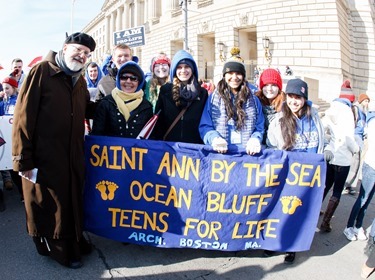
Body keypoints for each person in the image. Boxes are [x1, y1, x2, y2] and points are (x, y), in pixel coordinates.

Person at [12, 32, 96, 269]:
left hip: (71, 154)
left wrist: (111, 106)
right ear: (65, 47)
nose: (82, 56)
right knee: (49, 203)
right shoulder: (41, 71)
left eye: (87, 54)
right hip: (44, 156)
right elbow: (22, 117)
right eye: (78, 50)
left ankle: (74, 241)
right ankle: (59, 250)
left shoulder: (78, 79)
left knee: (70, 200)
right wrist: (22, 160)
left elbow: (84, 107)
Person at [266, 78, 325, 264]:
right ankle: (273, 242)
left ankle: (291, 245)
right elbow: (271, 145)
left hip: (308, 176)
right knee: (279, 209)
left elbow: (323, 138)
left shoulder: (314, 116)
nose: (294, 101)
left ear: (304, 98)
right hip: (287, 175)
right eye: (291, 96)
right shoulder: (279, 119)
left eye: (298, 97)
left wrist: (327, 150)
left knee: (298, 211)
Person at [199, 53, 264, 154]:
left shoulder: (253, 99)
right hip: (221, 155)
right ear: (224, 75)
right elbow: (205, 126)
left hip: (247, 155)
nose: (234, 77)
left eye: (238, 73)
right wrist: (214, 138)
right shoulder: (213, 99)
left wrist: (255, 138)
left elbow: (259, 126)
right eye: (230, 73)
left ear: (243, 76)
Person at [320, 97, 360, 233]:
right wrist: (357, 148)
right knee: (337, 192)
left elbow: (322, 130)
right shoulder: (347, 115)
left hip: (331, 157)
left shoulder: (331, 112)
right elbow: (350, 142)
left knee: (325, 187)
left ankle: (313, 213)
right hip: (343, 161)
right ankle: (326, 222)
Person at [152, 49, 208, 143]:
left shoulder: (202, 93)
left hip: (194, 148)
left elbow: (205, 122)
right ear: (174, 70)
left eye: (187, 67)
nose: (183, 70)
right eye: (179, 67)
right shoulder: (165, 91)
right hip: (170, 147)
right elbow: (158, 122)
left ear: (192, 69)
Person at [91, 61, 153, 137]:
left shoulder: (146, 106)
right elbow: (96, 134)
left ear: (139, 83)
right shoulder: (106, 103)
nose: (128, 81)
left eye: (133, 78)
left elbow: (150, 138)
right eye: (124, 77)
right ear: (118, 80)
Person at [343, 99, 374, 241]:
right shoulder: (373, 120)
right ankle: (349, 227)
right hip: (372, 166)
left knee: (367, 201)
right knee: (363, 198)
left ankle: (358, 225)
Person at [0, 77, 23, 203]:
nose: (5, 91)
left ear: (14, 88)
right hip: (7, 140)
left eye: (7, 88)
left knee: (20, 167)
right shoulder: (3, 102)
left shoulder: (21, 100)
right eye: (4, 89)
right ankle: (22, 192)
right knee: (11, 167)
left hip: (19, 139)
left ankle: (25, 193)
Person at [343, 92, 370, 195]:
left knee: (357, 164)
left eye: (368, 101)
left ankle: (350, 185)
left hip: (360, 138)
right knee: (354, 162)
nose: (367, 103)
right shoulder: (356, 109)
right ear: (361, 101)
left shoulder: (364, 111)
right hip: (355, 137)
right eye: (365, 101)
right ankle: (346, 185)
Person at [255, 68, 285, 145]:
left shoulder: (285, 105)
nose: (269, 89)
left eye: (274, 85)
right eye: (266, 85)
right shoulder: (255, 102)